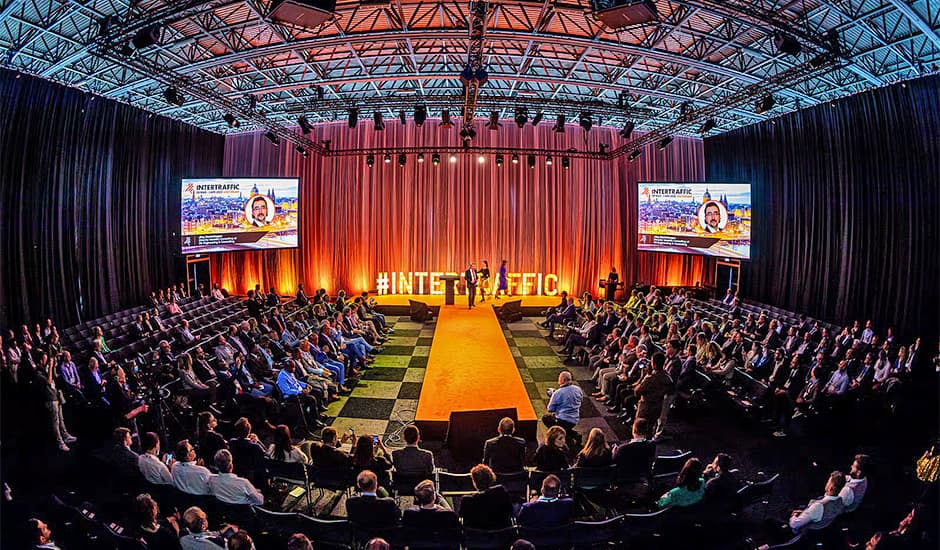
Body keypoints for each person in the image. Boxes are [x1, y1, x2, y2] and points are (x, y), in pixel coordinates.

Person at [459, 464, 513, 529]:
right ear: (491, 478)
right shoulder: (501, 494)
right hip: (502, 534)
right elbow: (511, 512)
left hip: (477, 534)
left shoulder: (467, 501)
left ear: (474, 482)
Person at [542, 371, 583, 443]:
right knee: (565, 426)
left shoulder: (558, 393)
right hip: (575, 419)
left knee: (546, 418)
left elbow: (550, 409)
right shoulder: (578, 389)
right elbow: (580, 400)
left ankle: (570, 435)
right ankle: (572, 434)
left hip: (563, 420)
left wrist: (553, 397)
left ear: (562, 380)